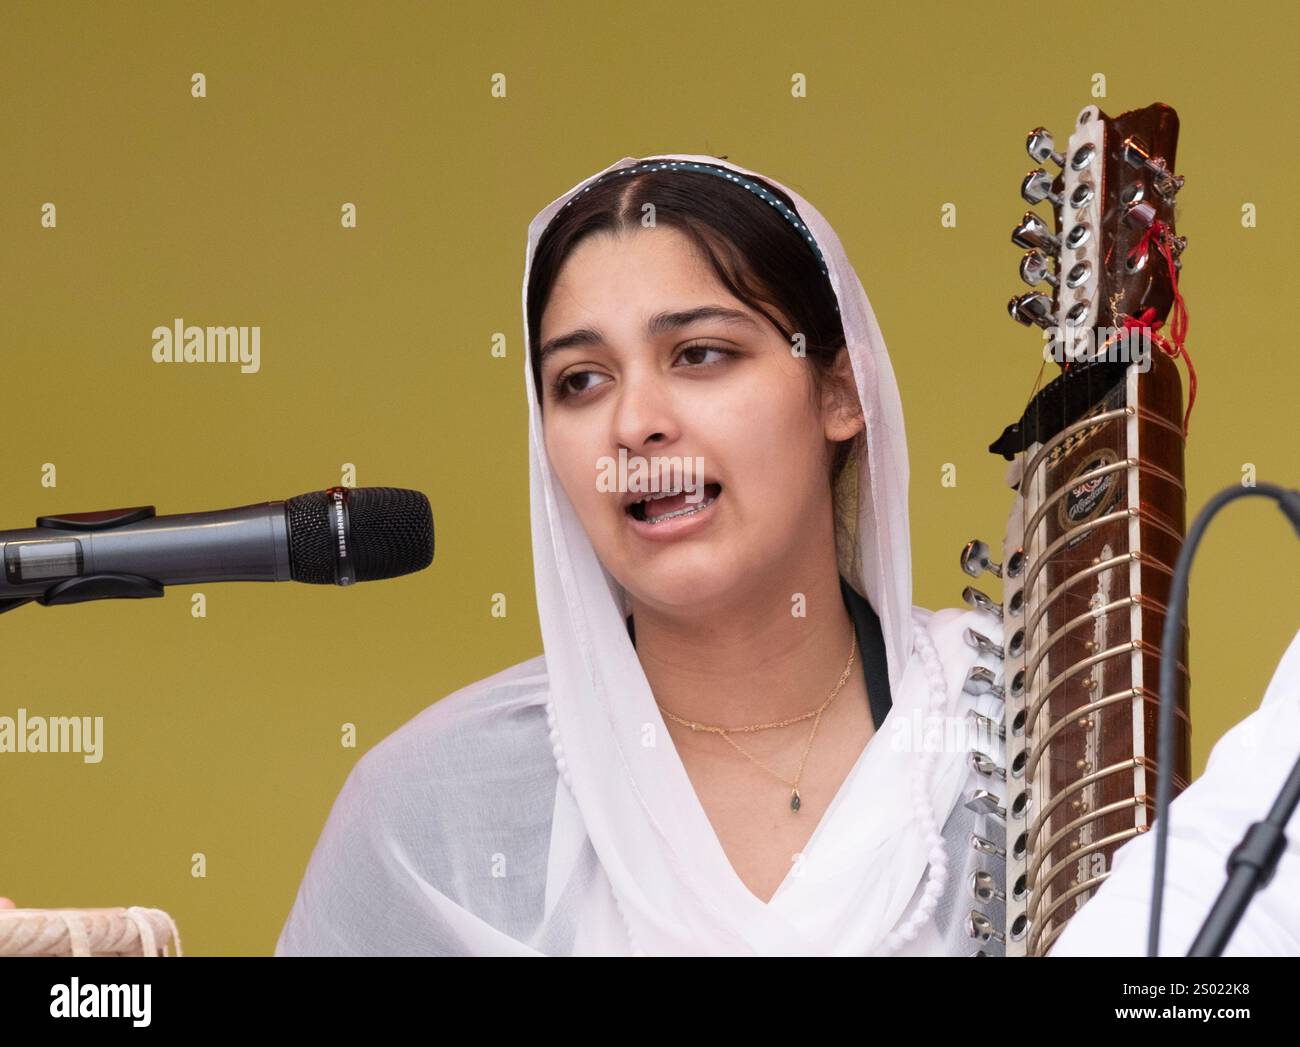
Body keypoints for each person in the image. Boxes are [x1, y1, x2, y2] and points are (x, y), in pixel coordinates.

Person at [275, 154, 1300, 956]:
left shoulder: (1028, 735)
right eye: (578, 381)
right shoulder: (437, 805)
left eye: (701, 355)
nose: (635, 423)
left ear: (839, 391)